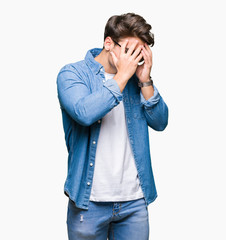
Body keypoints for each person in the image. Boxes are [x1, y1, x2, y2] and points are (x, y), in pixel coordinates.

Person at [56, 12, 168, 240]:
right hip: (89, 203)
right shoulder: (72, 74)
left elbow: (160, 122)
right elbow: (84, 113)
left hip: (134, 202)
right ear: (109, 43)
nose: (134, 58)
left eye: (140, 52)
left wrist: (145, 80)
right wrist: (122, 78)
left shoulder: (137, 79)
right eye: (129, 50)